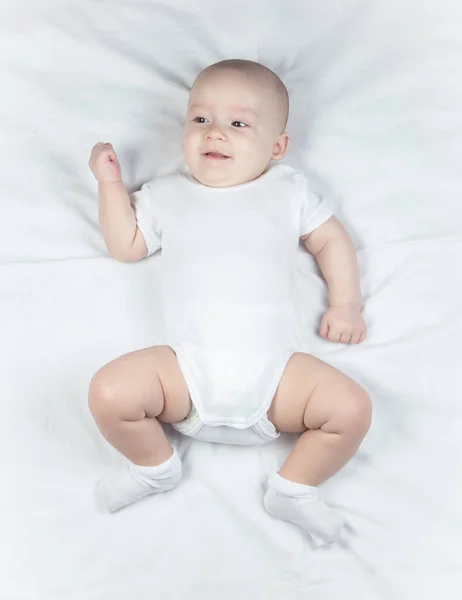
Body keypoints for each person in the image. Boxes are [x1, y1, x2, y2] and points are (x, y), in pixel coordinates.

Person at [88, 59, 371, 545]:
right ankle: (154, 466)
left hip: (277, 378)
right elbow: (127, 244)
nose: (215, 133)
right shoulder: (165, 195)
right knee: (109, 392)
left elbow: (332, 242)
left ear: (277, 146)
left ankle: (294, 488)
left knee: (351, 409)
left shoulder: (289, 191)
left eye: (238, 123)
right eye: (200, 119)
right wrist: (110, 186)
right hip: (184, 375)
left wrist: (346, 304)